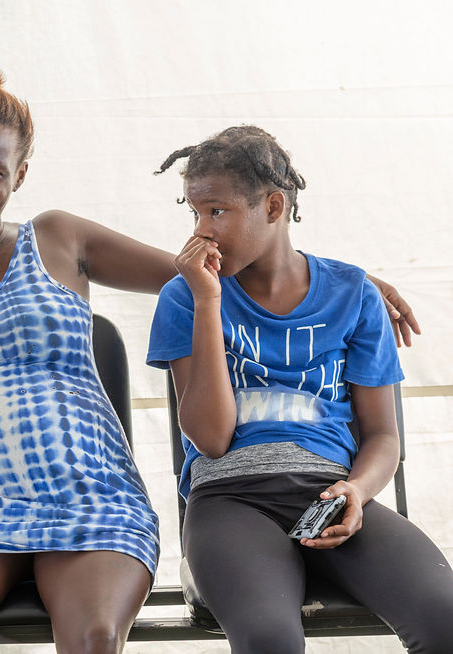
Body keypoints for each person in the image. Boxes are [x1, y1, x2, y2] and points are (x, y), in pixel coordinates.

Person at [0, 58, 420, 653]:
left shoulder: (58, 239)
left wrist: (348, 281)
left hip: (88, 489)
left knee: (92, 639)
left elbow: (207, 270)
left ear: (21, 174)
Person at [146, 125, 453, 653]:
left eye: (216, 212)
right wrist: (208, 302)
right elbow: (211, 439)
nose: (202, 232)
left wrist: (355, 492)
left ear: (272, 206)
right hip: (230, 499)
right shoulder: (185, 297)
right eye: (194, 214)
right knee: (270, 640)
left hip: (329, 494)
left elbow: (382, 435)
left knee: (446, 617)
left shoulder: (351, 293)